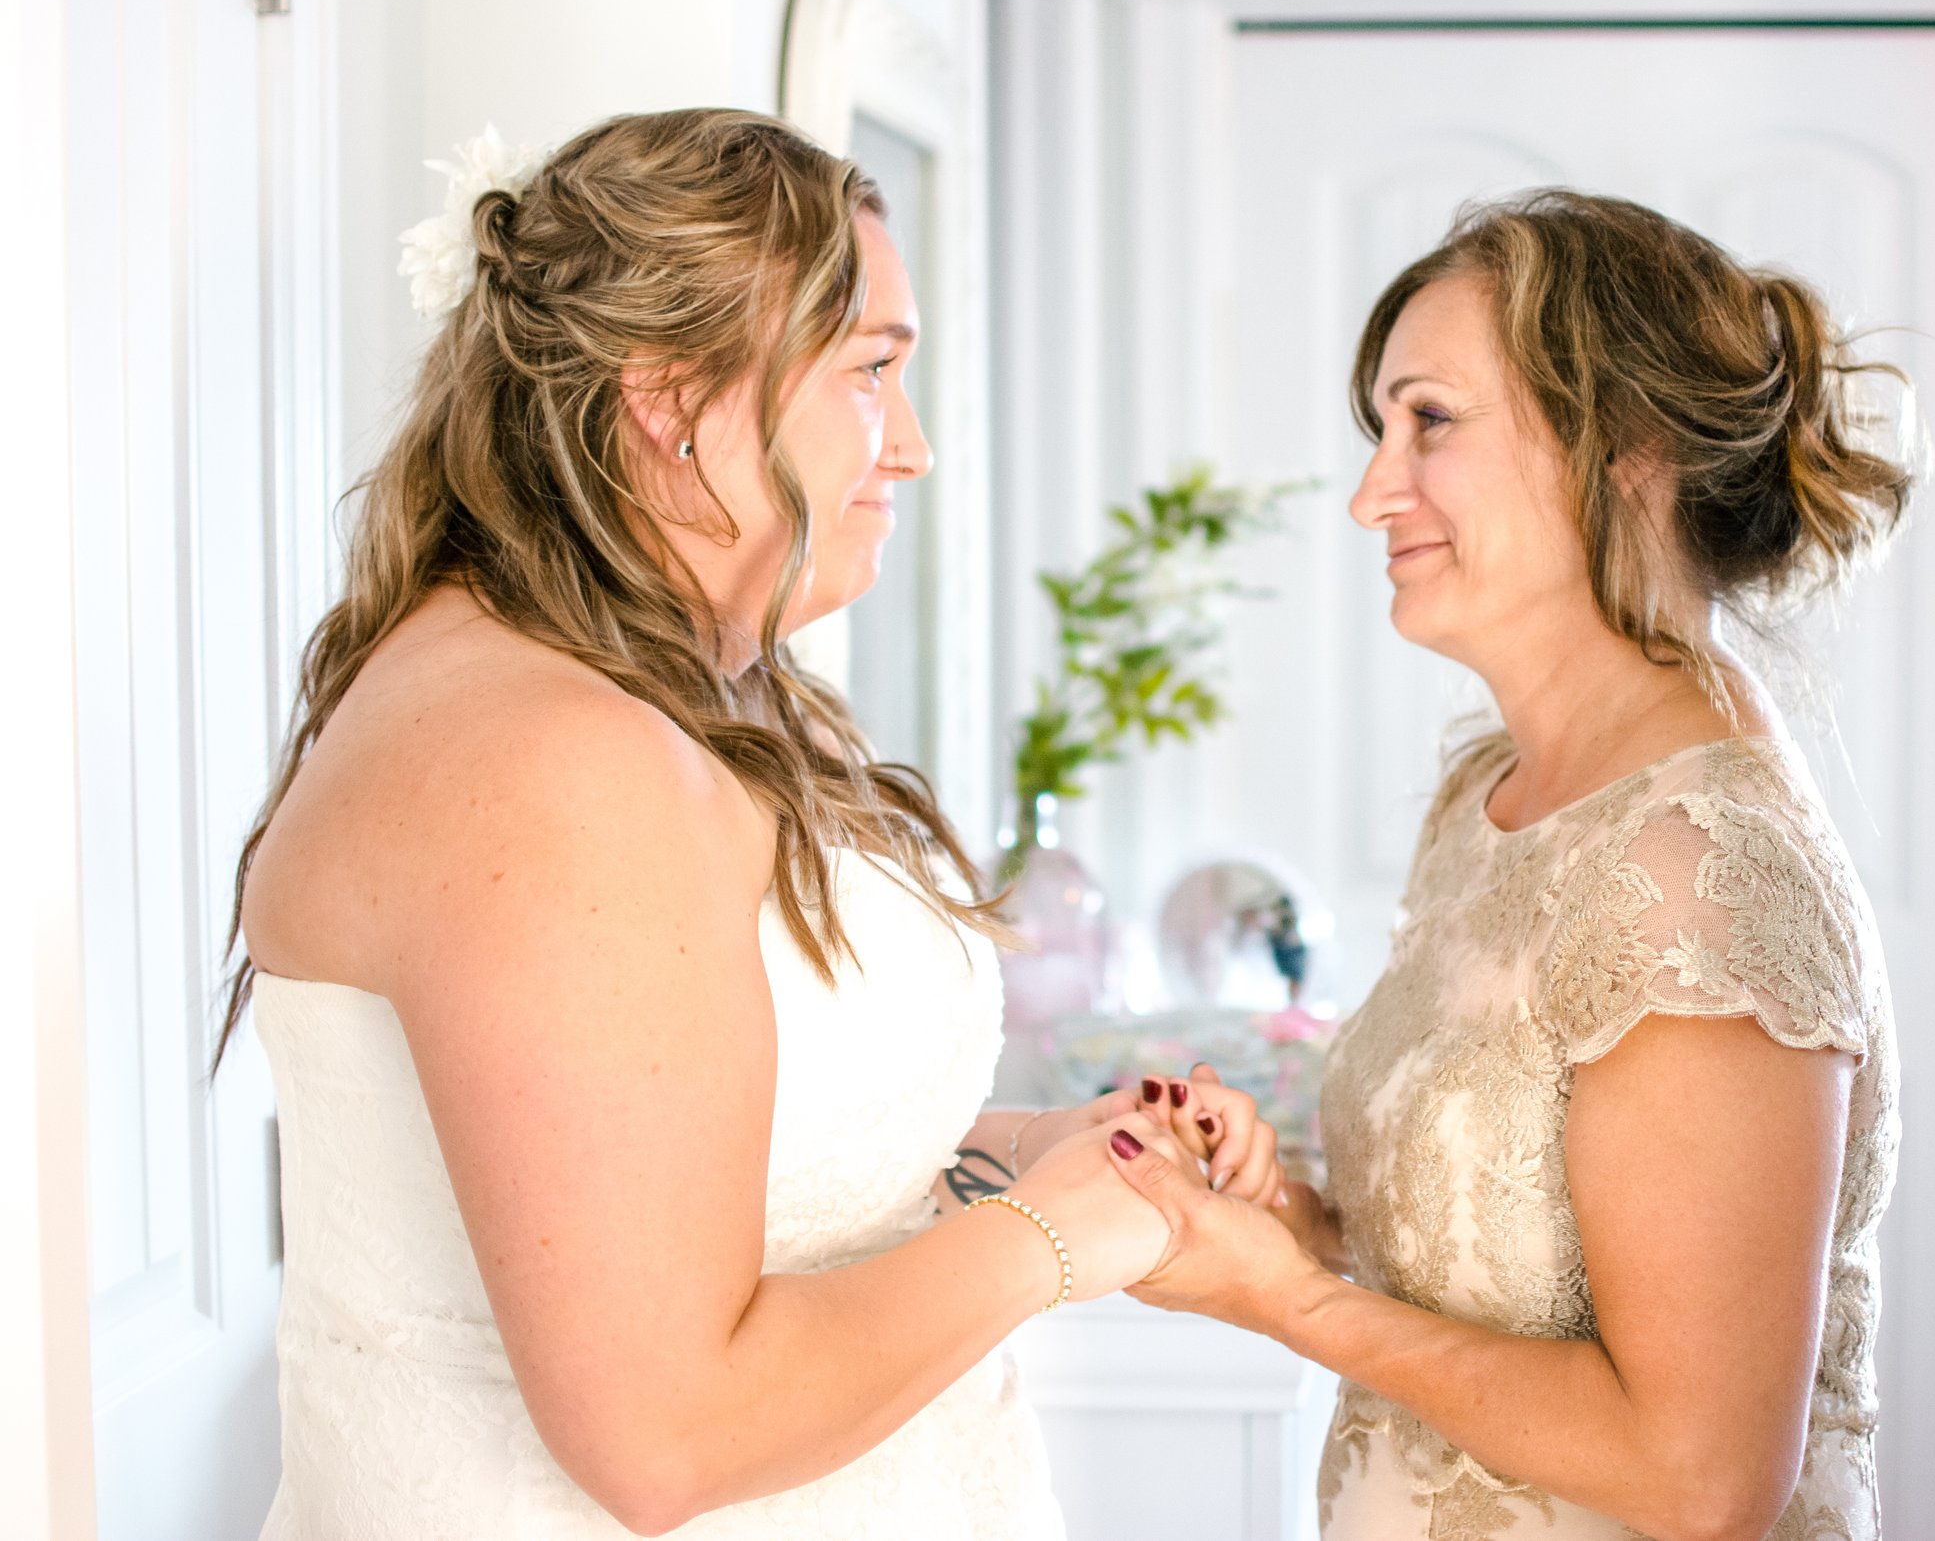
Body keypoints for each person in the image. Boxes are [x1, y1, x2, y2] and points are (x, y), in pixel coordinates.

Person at [225, 107, 1279, 1540]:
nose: (908, 446)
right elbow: (667, 1435)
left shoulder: (620, 698)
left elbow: (712, 1154)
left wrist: (1034, 1149)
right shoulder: (559, 761)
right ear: (668, 397)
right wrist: (1056, 1239)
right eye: (869, 372)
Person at [1102, 191, 1915, 1541]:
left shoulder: (1700, 874)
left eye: (1429, 420)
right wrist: (1287, 1218)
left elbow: (1698, 1476)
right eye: (1379, 428)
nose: (1372, 491)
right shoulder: (1492, 798)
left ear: (1628, 450)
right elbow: (1481, 1287)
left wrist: (1286, 1301)